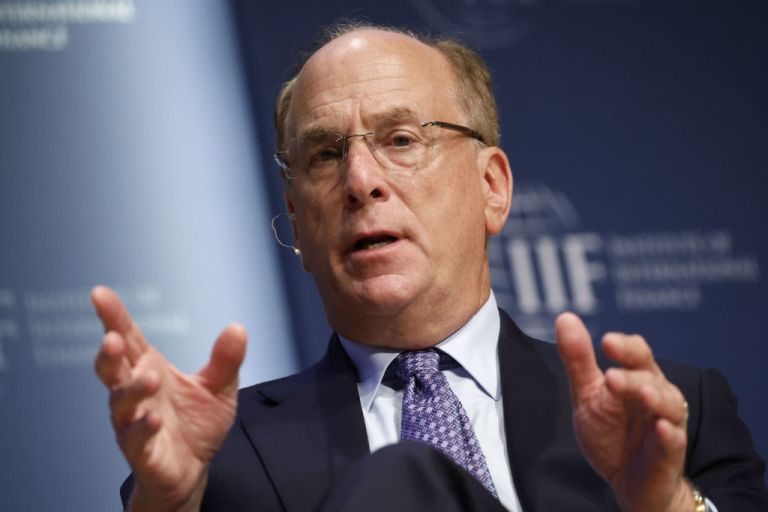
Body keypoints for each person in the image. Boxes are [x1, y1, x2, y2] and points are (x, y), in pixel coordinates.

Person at [92, 23, 768, 511]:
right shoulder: (214, 460)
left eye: (402, 139)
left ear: (492, 188)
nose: (361, 180)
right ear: (298, 222)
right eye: (325, 155)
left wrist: (668, 505)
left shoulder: (668, 418)